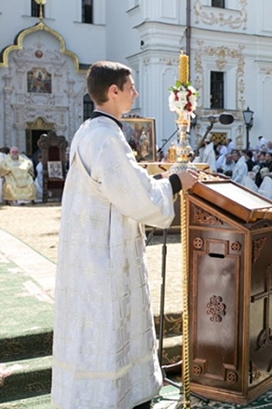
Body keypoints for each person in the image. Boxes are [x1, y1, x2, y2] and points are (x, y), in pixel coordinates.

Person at [51, 61, 198, 409]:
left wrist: (155, 179)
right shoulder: (106, 137)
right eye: (130, 86)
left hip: (92, 247)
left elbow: (122, 183)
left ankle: (91, 395)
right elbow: (137, 197)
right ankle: (109, 399)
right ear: (113, 91)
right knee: (107, 323)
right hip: (105, 252)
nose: (135, 92)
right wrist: (177, 181)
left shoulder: (90, 130)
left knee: (93, 325)